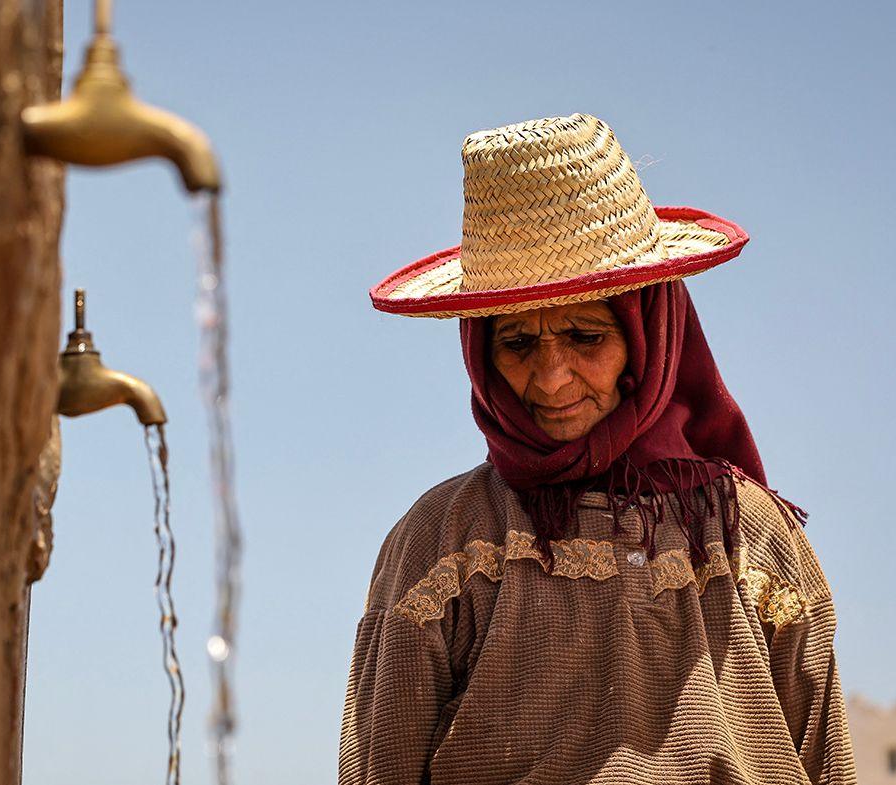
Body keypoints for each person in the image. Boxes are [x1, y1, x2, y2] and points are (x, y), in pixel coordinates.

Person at [340, 114, 856, 785]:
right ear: (482, 354)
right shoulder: (443, 539)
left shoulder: (748, 535)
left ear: (648, 335)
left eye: (585, 337)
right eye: (519, 343)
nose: (552, 378)